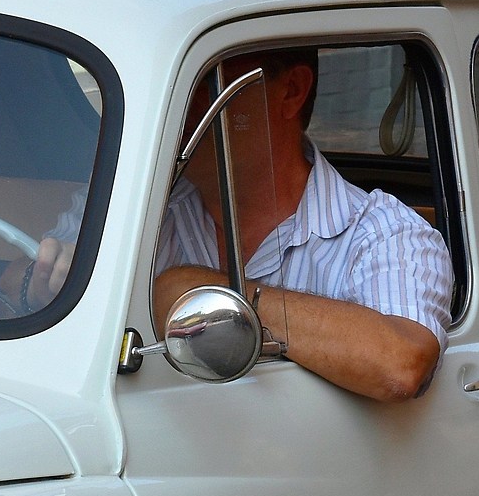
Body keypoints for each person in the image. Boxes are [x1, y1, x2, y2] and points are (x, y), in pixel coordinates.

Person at [146, 49, 452, 402]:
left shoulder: (385, 233)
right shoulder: (144, 219)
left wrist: (204, 292)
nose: (177, 105)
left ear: (291, 90)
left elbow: (401, 365)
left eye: (206, 81)